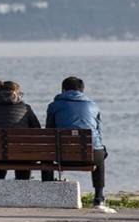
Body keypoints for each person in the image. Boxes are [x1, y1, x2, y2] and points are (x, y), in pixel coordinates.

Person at [42, 76, 115, 212]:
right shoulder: (93, 105)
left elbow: (49, 132)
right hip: (90, 156)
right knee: (100, 152)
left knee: (47, 152)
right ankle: (99, 198)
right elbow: (98, 132)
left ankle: (48, 193)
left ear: (63, 90)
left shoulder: (54, 106)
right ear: (82, 90)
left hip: (62, 157)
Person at [0, 80, 41, 180]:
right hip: (21, 156)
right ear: (16, 92)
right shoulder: (25, 108)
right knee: (22, 156)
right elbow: (38, 131)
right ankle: (23, 184)